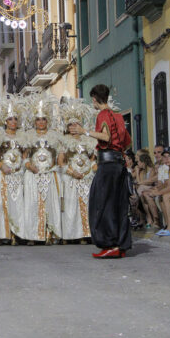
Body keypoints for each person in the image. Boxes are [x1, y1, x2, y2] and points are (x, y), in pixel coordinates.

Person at [71, 85, 131, 258]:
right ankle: (121, 244)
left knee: (103, 203)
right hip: (119, 164)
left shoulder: (103, 115)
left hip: (107, 166)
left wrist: (84, 132)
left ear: (95, 99)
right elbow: (128, 141)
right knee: (119, 204)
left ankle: (109, 243)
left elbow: (106, 137)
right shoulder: (118, 116)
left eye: (93, 100)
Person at [21, 93, 63, 245]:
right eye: (38, 119)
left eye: (43, 118)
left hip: (49, 175)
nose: (40, 122)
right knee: (33, 205)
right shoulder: (28, 136)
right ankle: (33, 236)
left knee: (49, 204)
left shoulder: (54, 135)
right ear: (34, 120)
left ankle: (49, 234)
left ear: (48, 120)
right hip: (33, 175)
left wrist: (54, 167)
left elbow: (59, 156)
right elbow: (24, 156)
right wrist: (30, 167)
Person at [59, 98, 97, 243]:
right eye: (71, 124)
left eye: (76, 124)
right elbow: (61, 162)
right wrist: (72, 172)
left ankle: (87, 233)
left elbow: (93, 159)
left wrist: (91, 170)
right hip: (71, 178)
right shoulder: (63, 141)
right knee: (70, 206)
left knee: (88, 205)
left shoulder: (89, 140)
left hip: (87, 177)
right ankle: (73, 234)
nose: (74, 127)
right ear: (67, 126)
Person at [0, 95, 27, 244]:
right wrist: (2, 166)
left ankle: (17, 234)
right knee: (3, 204)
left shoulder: (23, 137)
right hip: (3, 175)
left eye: (15, 119)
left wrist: (22, 167)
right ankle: (4, 234)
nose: (13, 122)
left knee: (18, 205)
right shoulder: (0, 136)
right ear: (5, 121)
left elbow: (25, 157)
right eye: (10, 119)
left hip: (18, 175)